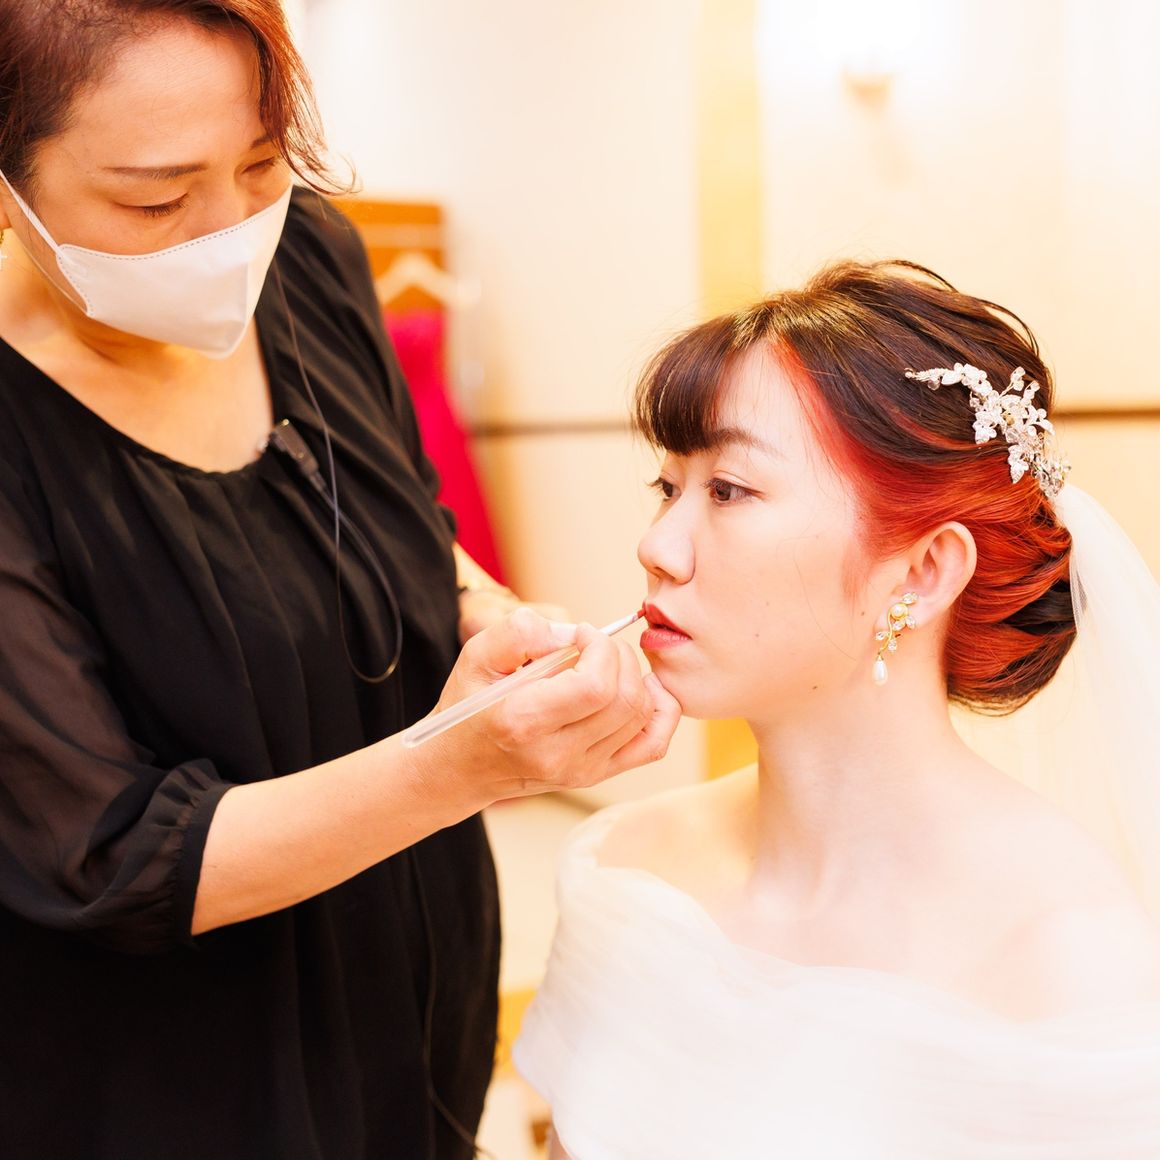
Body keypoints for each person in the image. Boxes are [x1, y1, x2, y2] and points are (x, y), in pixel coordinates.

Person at [0, 3, 679, 1158]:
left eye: (263, 164)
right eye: (154, 200)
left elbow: (403, 520)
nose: (229, 232)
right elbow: (111, 857)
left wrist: (494, 614)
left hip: (406, 984)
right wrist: (460, 763)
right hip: (164, 1073)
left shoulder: (309, 258)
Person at [514, 260, 1160, 1158]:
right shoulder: (626, 867)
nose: (656, 546)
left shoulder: (1068, 962)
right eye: (668, 488)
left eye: (728, 490)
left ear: (923, 571)